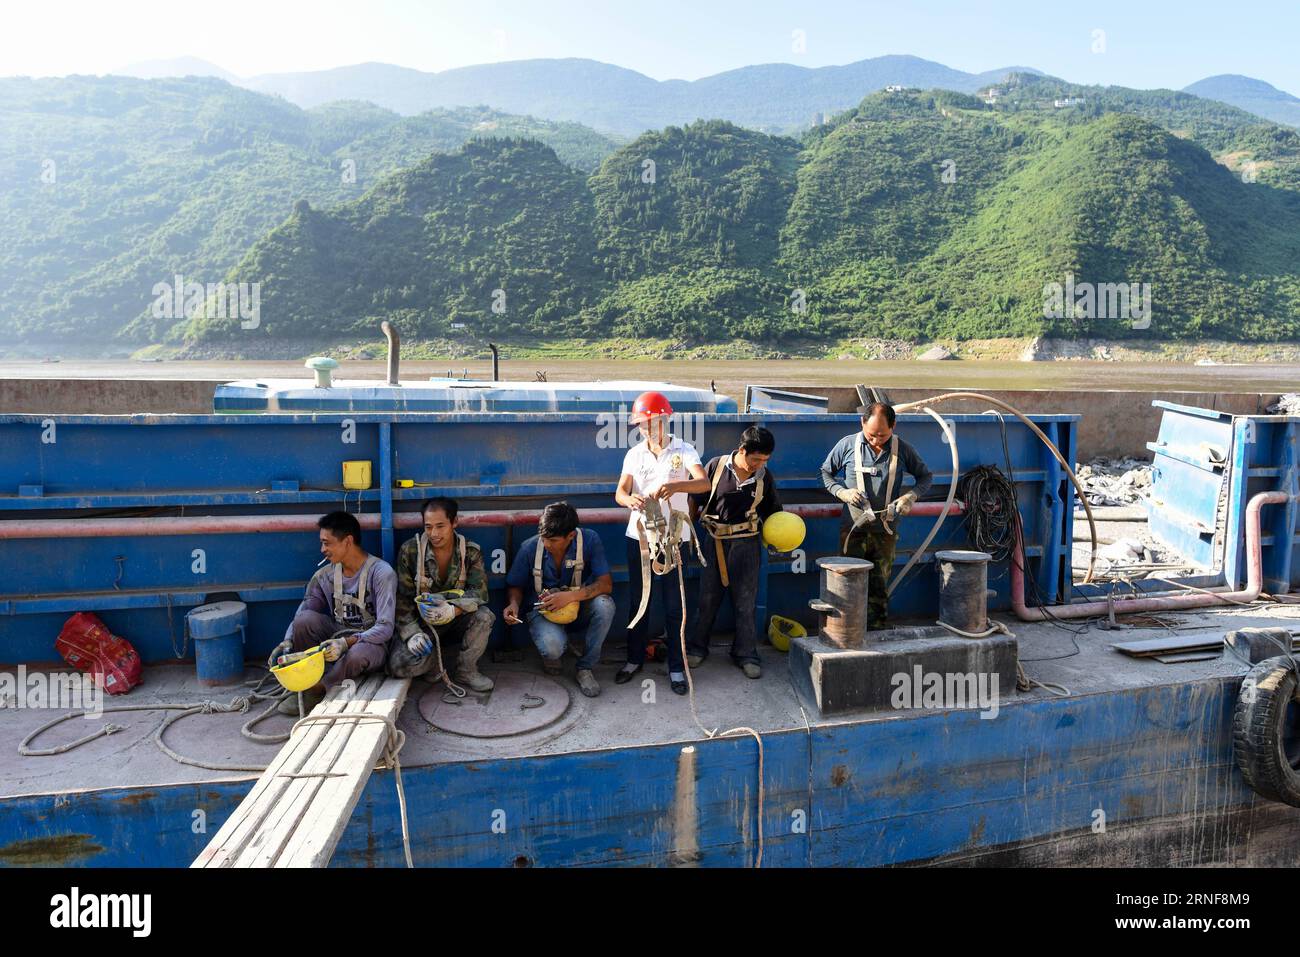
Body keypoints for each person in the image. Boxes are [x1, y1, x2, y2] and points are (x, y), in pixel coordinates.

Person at [666, 426, 783, 679]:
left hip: (748, 545)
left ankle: (746, 653)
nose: (759, 464)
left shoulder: (764, 477)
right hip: (714, 543)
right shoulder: (715, 467)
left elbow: (774, 513)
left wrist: (779, 537)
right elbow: (694, 501)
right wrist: (687, 531)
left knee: (745, 602)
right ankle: (697, 648)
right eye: (755, 459)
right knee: (708, 599)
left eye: (765, 460)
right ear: (742, 450)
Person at [613, 391, 706, 695]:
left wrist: (676, 485)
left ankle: (677, 668)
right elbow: (620, 492)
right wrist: (630, 500)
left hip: (673, 539)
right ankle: (634, 659)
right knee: (640, 602)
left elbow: (702, 483)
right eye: (641, 425)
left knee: (674, 604)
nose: (645, 429)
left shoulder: (685, 450)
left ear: (664, 420)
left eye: (649, 423)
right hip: (639, 537)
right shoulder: (635, 454)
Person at [820, 401, 932, 630]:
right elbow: (825, 473)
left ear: (894, 426)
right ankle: (846, 630)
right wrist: (842, 492)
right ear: (862, 422)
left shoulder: (903, 449)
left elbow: (925, 478)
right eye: (871, 435)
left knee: (880, 586)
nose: (876, 440)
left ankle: (876, 631)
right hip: (853, 531)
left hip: (885, 532)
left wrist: (910, 497)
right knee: (847, 583)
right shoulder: (847, 445)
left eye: (882, 435)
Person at [273, 511, 397, 713]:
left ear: (347, 541)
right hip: (337, 635)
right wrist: (287, 641)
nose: (323, 549)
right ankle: (306, 678)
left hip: (371, 643)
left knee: (357, 654)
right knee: (304, 621)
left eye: (327, 543)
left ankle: (318, 688)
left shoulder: (382, 573)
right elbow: (304, 612)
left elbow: (385, 628)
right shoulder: (325, 575)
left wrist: (346, 643)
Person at [503, 502, 615, 698]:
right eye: (544, 538)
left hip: (578, 607)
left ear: (571, 535)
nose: (547, 544)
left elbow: (606, 585)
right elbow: (515, 585)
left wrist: (571, 596)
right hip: (542, 612)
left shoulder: (589, 540)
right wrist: (513, 604)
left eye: (553, 540)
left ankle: (585, 668)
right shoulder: (530, 548)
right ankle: (555, 650)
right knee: (553, 648)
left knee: (605, 605)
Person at [387, 497, 496, 692]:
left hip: (457, 620)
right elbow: (401, 600)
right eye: (428, 527)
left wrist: (454, 610)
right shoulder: (410, 551)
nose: (434, 534)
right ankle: (434, 662)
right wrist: (412, 634)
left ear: (454, 522)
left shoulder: (470, 551)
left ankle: (466, 670)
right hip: (424, 625)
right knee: (399, 666)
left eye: (440, 526)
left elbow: (479, 592)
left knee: (484, 617)